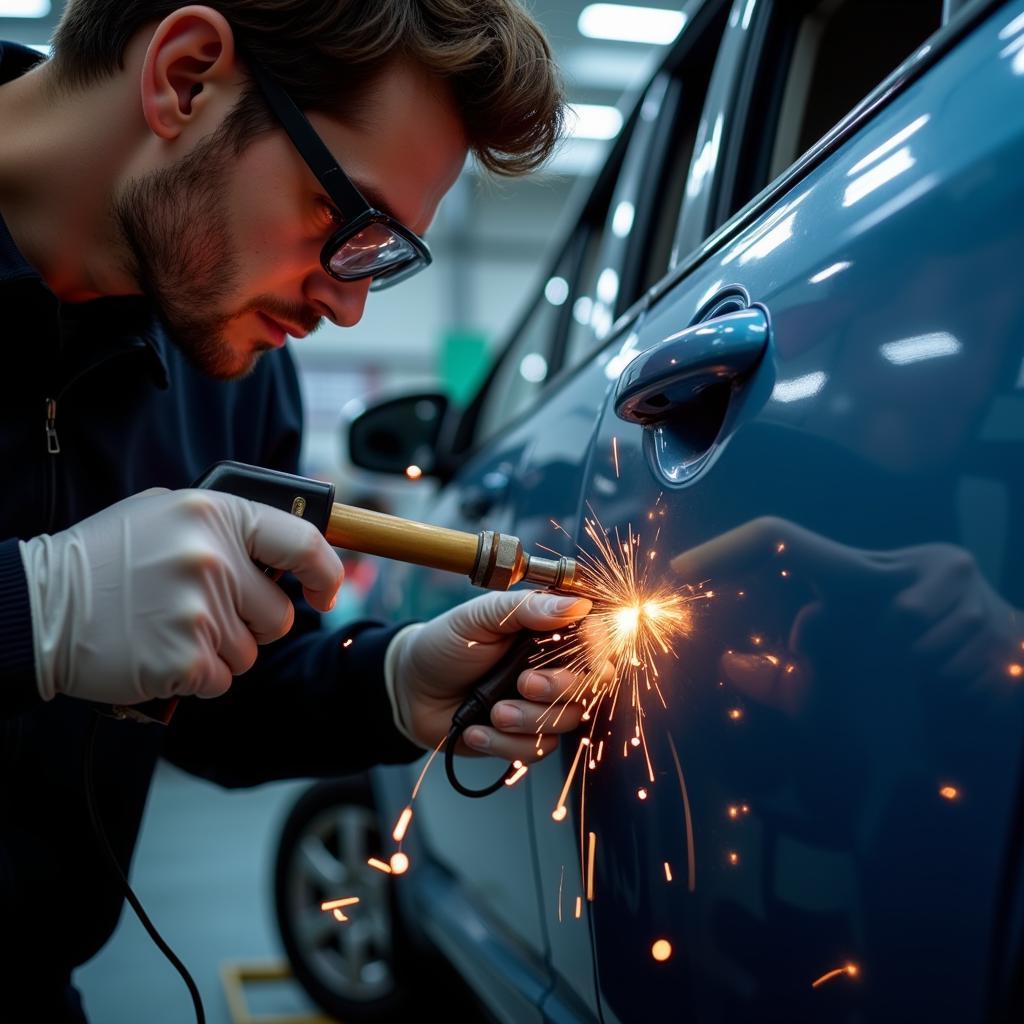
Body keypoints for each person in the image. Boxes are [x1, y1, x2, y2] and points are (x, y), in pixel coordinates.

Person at [0, 2, 590, 1018]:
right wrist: (31, 606)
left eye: (387, 255)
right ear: (186, 77)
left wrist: (392, 685)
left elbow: (219, 697)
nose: (348, 304)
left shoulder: (226, 366)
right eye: (346, 219)